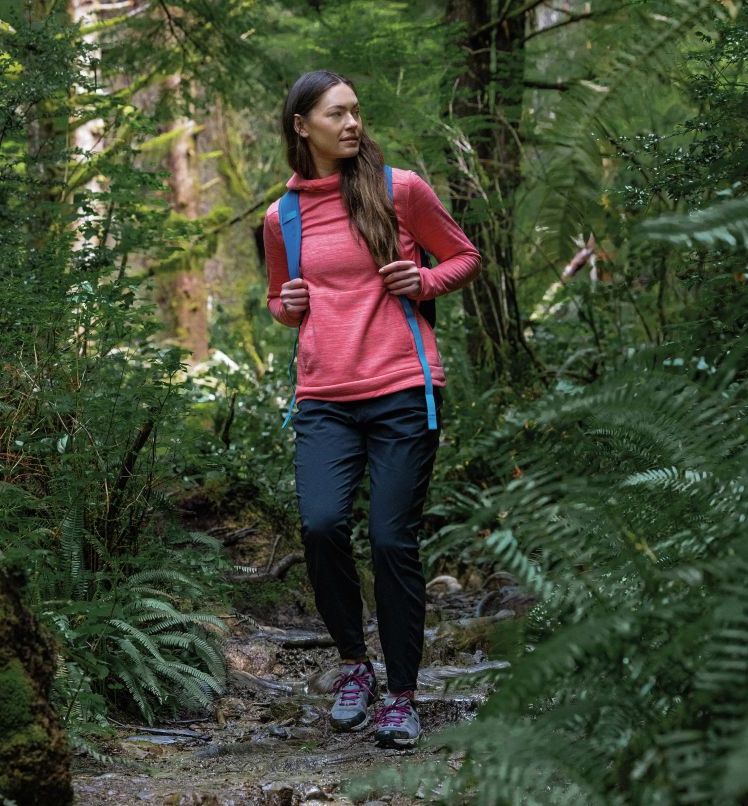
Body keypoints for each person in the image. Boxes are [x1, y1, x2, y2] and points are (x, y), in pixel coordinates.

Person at [263, 70, 480, 748]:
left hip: (400, 390)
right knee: (323, 526)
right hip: (324, 397)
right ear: (303, 126)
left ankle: (403, 695)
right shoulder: (282, 217)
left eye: (357, 111)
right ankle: (355, 666)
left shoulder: (400, 191)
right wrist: (285, 306)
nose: (353, 124)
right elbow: (279, 299)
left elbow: (465, 256)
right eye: (337, 114)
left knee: (391, 540)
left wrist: (424, 278)